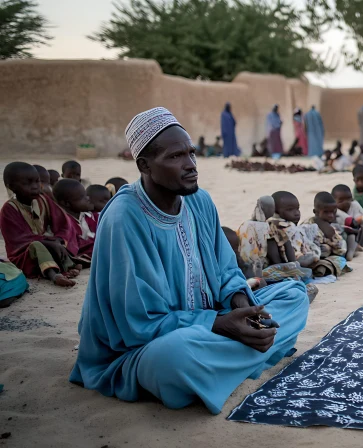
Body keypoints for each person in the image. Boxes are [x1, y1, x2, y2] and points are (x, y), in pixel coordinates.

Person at [69, 107, 309, 415]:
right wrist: (220, 325)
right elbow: (138, 324)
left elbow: (226, 270)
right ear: (144, 165)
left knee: (294, 294)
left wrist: (240, 308)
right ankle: (249, 354)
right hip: (145, 345)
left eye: (191, 153)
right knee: (175, 357)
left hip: (211, 319)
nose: (191, 165)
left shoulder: (199, 200)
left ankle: (236, 356)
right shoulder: (124, 218)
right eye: (175, 157)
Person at [1, 162, 79, 287]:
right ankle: (53, 274)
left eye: (37, 181)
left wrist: (58, 239)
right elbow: (19, 240)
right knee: (38, 245)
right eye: (28, 183)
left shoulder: (43, 199)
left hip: (45, 244)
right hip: (23, 254)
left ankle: (68, 266)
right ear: (12, 187)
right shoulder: (9, 209)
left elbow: (63, 223)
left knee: (59, 243)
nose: (35, 186)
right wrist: (48, 242)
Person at [53, 179, 95, 264]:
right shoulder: (64, 222)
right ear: (66, 203)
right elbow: (73, 247)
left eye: (86, 195)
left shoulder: (87, 216)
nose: (88, 198)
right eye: (82, 197)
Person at [237, 195, 275, 275]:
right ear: (267, 208)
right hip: (257, 268)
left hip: (246, 267)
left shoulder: (246, 224)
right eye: (272, 207)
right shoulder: (263, 226)